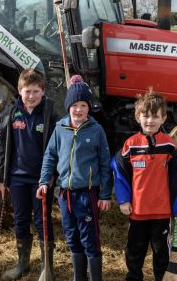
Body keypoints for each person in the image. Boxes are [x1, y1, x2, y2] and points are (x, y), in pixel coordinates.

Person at [37, 75, 113, 281]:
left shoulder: (96, 130)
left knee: (90, 238)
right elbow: (50, 156)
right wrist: (44, 180)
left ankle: (95, 277)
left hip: (87, 194)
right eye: (74, 105)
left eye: (83, 105)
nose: (78, 110)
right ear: (68, 105)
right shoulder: (60, 128)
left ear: (89, 107)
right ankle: (79, 277)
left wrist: (105, 194)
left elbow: (105, 164)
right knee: (72, 237)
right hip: (64, 195)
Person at [111, 89, 177, 281]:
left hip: (161, 213)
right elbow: (119, 172)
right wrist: (123, 199)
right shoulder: (131, 145)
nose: (150, 121)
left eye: (155, 117)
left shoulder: (169, 145)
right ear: (138, 117)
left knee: (161, 255)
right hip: (137, 212)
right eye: (146, 116)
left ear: (163, 118)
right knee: (134, 252)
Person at [0, 68, 61, 281]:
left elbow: (59, 146)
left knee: (42, 220)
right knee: (20, 220)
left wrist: (53, 173)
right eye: (27, 91)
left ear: (42, 91)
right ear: (19, 91)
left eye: (35, 91)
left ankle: (47, 268)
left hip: (41, 179)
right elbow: (3, 148)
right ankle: (22, 263)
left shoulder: (50, 113)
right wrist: (2, 178)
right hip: (17, 178)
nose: (31, 96)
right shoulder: (11, 113)